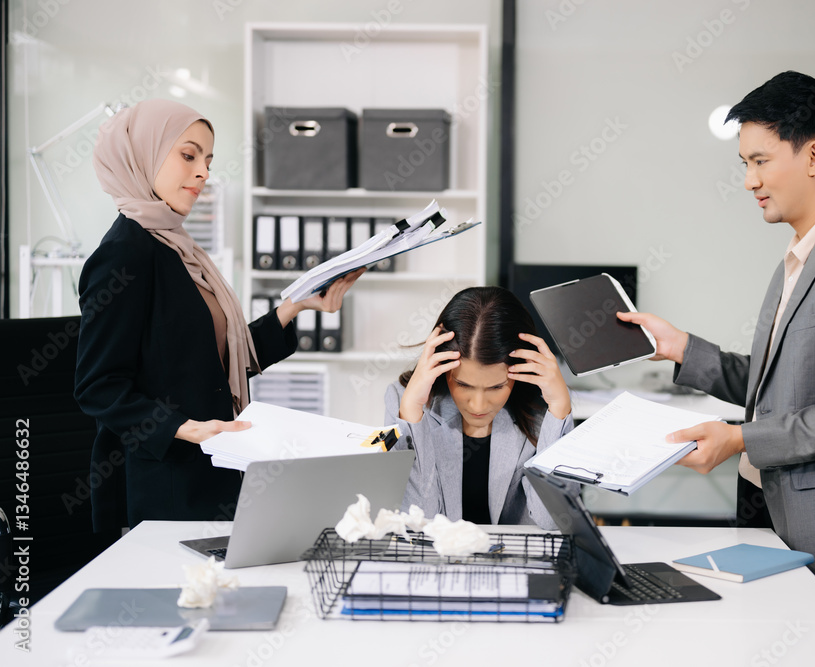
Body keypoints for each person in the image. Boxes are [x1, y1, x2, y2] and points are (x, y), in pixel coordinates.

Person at [620, 71, 815, 656]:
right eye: (744, 164)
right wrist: (682, 348)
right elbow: (777, 386)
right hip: (773, 515)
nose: (749, 180)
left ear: (814, 155)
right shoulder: (803, 255)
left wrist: (739, 439)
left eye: (758, 161)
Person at [75, 98, 363, 532]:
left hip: (214, 467)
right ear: (143, 156)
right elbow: (98, 387)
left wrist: (296, 305)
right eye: (188, 155)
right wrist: (184, 428)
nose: (204, 172)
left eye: (208, 160)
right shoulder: (124, 255)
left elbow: (211, 359)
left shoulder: (176, 246)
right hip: (164, 484)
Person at [384, 286, 575, 529]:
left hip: (515, 562)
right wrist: (412, 411)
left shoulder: (543, 409)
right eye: (463, 384)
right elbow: (417, 520)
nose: (478, 405)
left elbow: (553, 523)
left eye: (496, 387)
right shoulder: (403, 401)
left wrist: (559, 409)